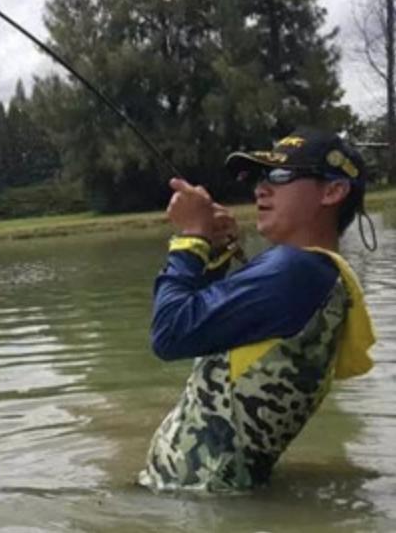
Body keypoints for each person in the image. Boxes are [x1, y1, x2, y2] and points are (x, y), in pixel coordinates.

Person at [138, 128, 377, 492]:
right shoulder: (316, 275)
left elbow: (170, 333)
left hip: (195, 503)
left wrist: (190, 238)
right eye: (262, 177)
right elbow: (208, 329)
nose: (261, 189)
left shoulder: (294, 271)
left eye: (281, 176)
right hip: (205, 496)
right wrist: (214, 253)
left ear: (333, 191)